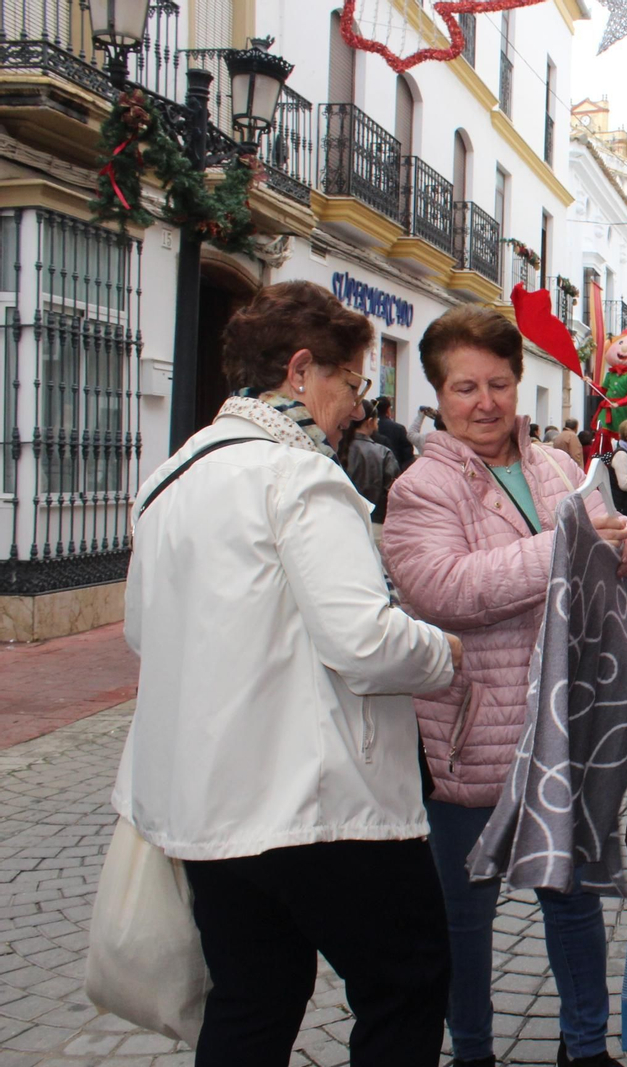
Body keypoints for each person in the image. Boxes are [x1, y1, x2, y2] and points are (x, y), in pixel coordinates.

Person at [113, 281, 464, 1067]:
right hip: (316, 804)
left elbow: (145, 630)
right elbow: (365, 641)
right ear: (302, 371)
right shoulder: (298, 475)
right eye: (351, 383)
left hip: (209, 811)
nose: (355, 407)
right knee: (406, 981)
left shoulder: (170, 479)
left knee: (252, 999)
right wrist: (445, 652)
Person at [382, 307, 627, 1067]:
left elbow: (613, 541)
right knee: (464, 922)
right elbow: (445, 589)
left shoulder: (555, 469)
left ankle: (584, 1047)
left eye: (499, 383)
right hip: (473, 744)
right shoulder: (421, 488)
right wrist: (565, 543)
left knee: (572, 902)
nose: (486, 402)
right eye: (466, 386)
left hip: (565, 731)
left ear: (518, 385)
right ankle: (471, 1050)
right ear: (438, 392)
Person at [345, 398, 400, 530]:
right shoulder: (383, 453)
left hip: (343, 519)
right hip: (376, 521)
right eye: (376, 421)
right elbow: (394, 491)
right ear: (369, 422)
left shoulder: (340, 449)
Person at [373, 395, 415, 470]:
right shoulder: (398, 429)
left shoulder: (367, 427)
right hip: (395, 471)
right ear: (388, 410)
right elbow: (408, 456)